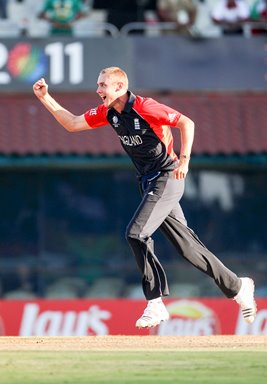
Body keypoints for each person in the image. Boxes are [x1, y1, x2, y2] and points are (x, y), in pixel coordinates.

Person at [33, 67, 257, 329]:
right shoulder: (108, 112)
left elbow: (187, 123)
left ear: (119, 87)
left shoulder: (145, 106)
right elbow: (72, 123)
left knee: (135, 234)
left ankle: (155, 301)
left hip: (167, 176)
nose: (98, 90)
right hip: (149, 181)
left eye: (103, 85)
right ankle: (238, 286)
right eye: (98, 85)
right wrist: (44, 98)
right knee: (187, 247)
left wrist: (184, 160)